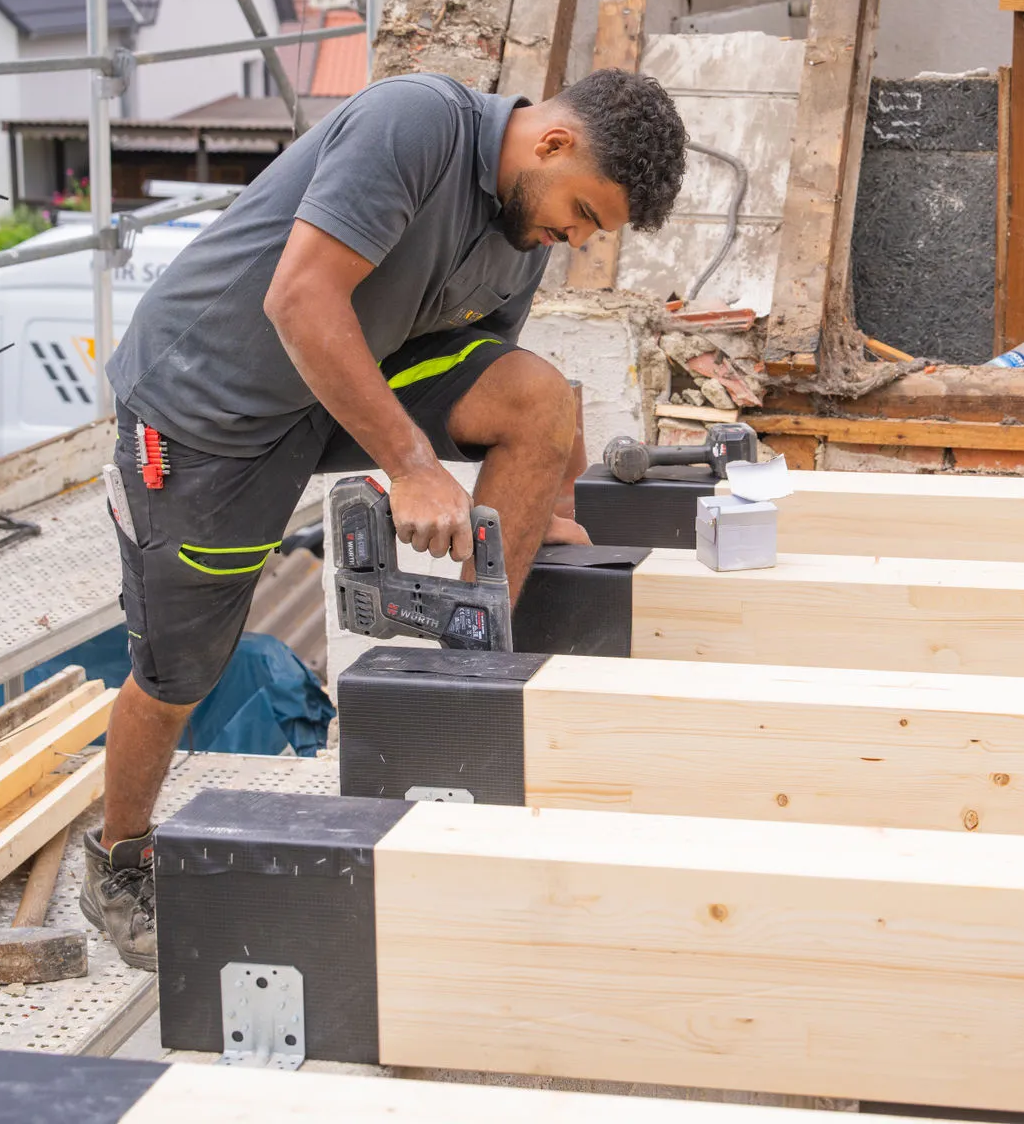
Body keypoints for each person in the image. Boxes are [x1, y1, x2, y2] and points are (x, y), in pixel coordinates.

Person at [80, 68, 687, 969]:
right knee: (182, 672)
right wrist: (408, 464)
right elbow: (299, 298)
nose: (577, 238)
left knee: (538, 400)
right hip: (207, 411)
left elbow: (485, 370)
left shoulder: (522, 235)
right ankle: (121, 860)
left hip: (328, 392)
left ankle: (460, 691)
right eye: (586, 213)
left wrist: (549, 503)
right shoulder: (416, 126)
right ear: (553, 144)